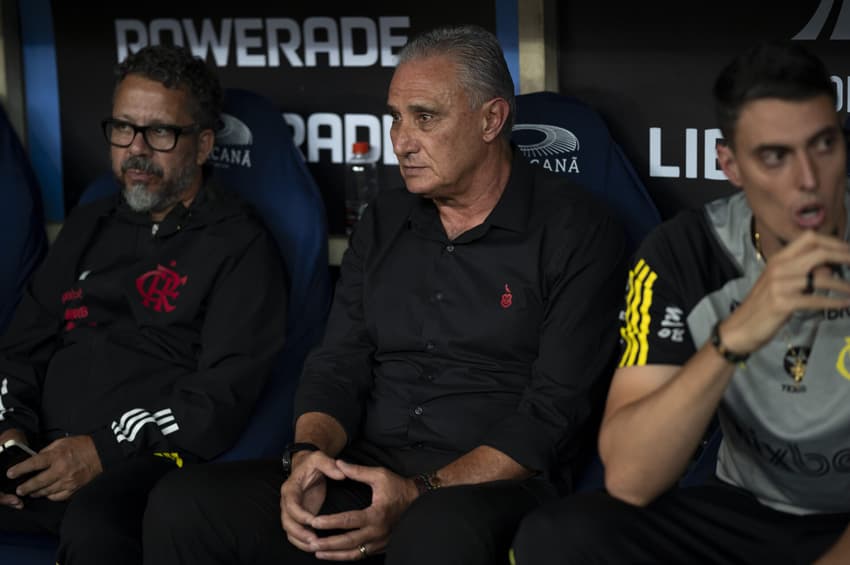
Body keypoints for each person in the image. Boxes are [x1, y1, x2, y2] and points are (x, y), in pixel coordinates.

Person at [142, 24, 626, 565]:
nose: (400, 139)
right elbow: (338, 363)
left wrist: (420, 492)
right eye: (394, 117)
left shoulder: (576, 229)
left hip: (491, 486)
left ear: (491, 119)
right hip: (368, 467)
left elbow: (552, 415)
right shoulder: (384, 220)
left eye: (425, 117)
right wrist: (309, 458)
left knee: (436, 532)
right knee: (185, 503)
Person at [511, 41, 850, 564]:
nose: (808, 179)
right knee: (560, 537)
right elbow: (630, 478)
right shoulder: (686, 252)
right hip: (747, 509)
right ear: (731, 165)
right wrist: (733, 339)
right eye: (775, 156)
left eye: (824, 145)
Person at [0, 44, 287, 564]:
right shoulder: (90, 221)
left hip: (143, 462)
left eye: (159, 132)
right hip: (39, 452)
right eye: (123, 128)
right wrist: (9, 436)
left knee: (96, 524)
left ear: (202, 145)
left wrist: (99, 451)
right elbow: (22, 346)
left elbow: (217, 400)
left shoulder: (240, 245)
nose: (135, 149)